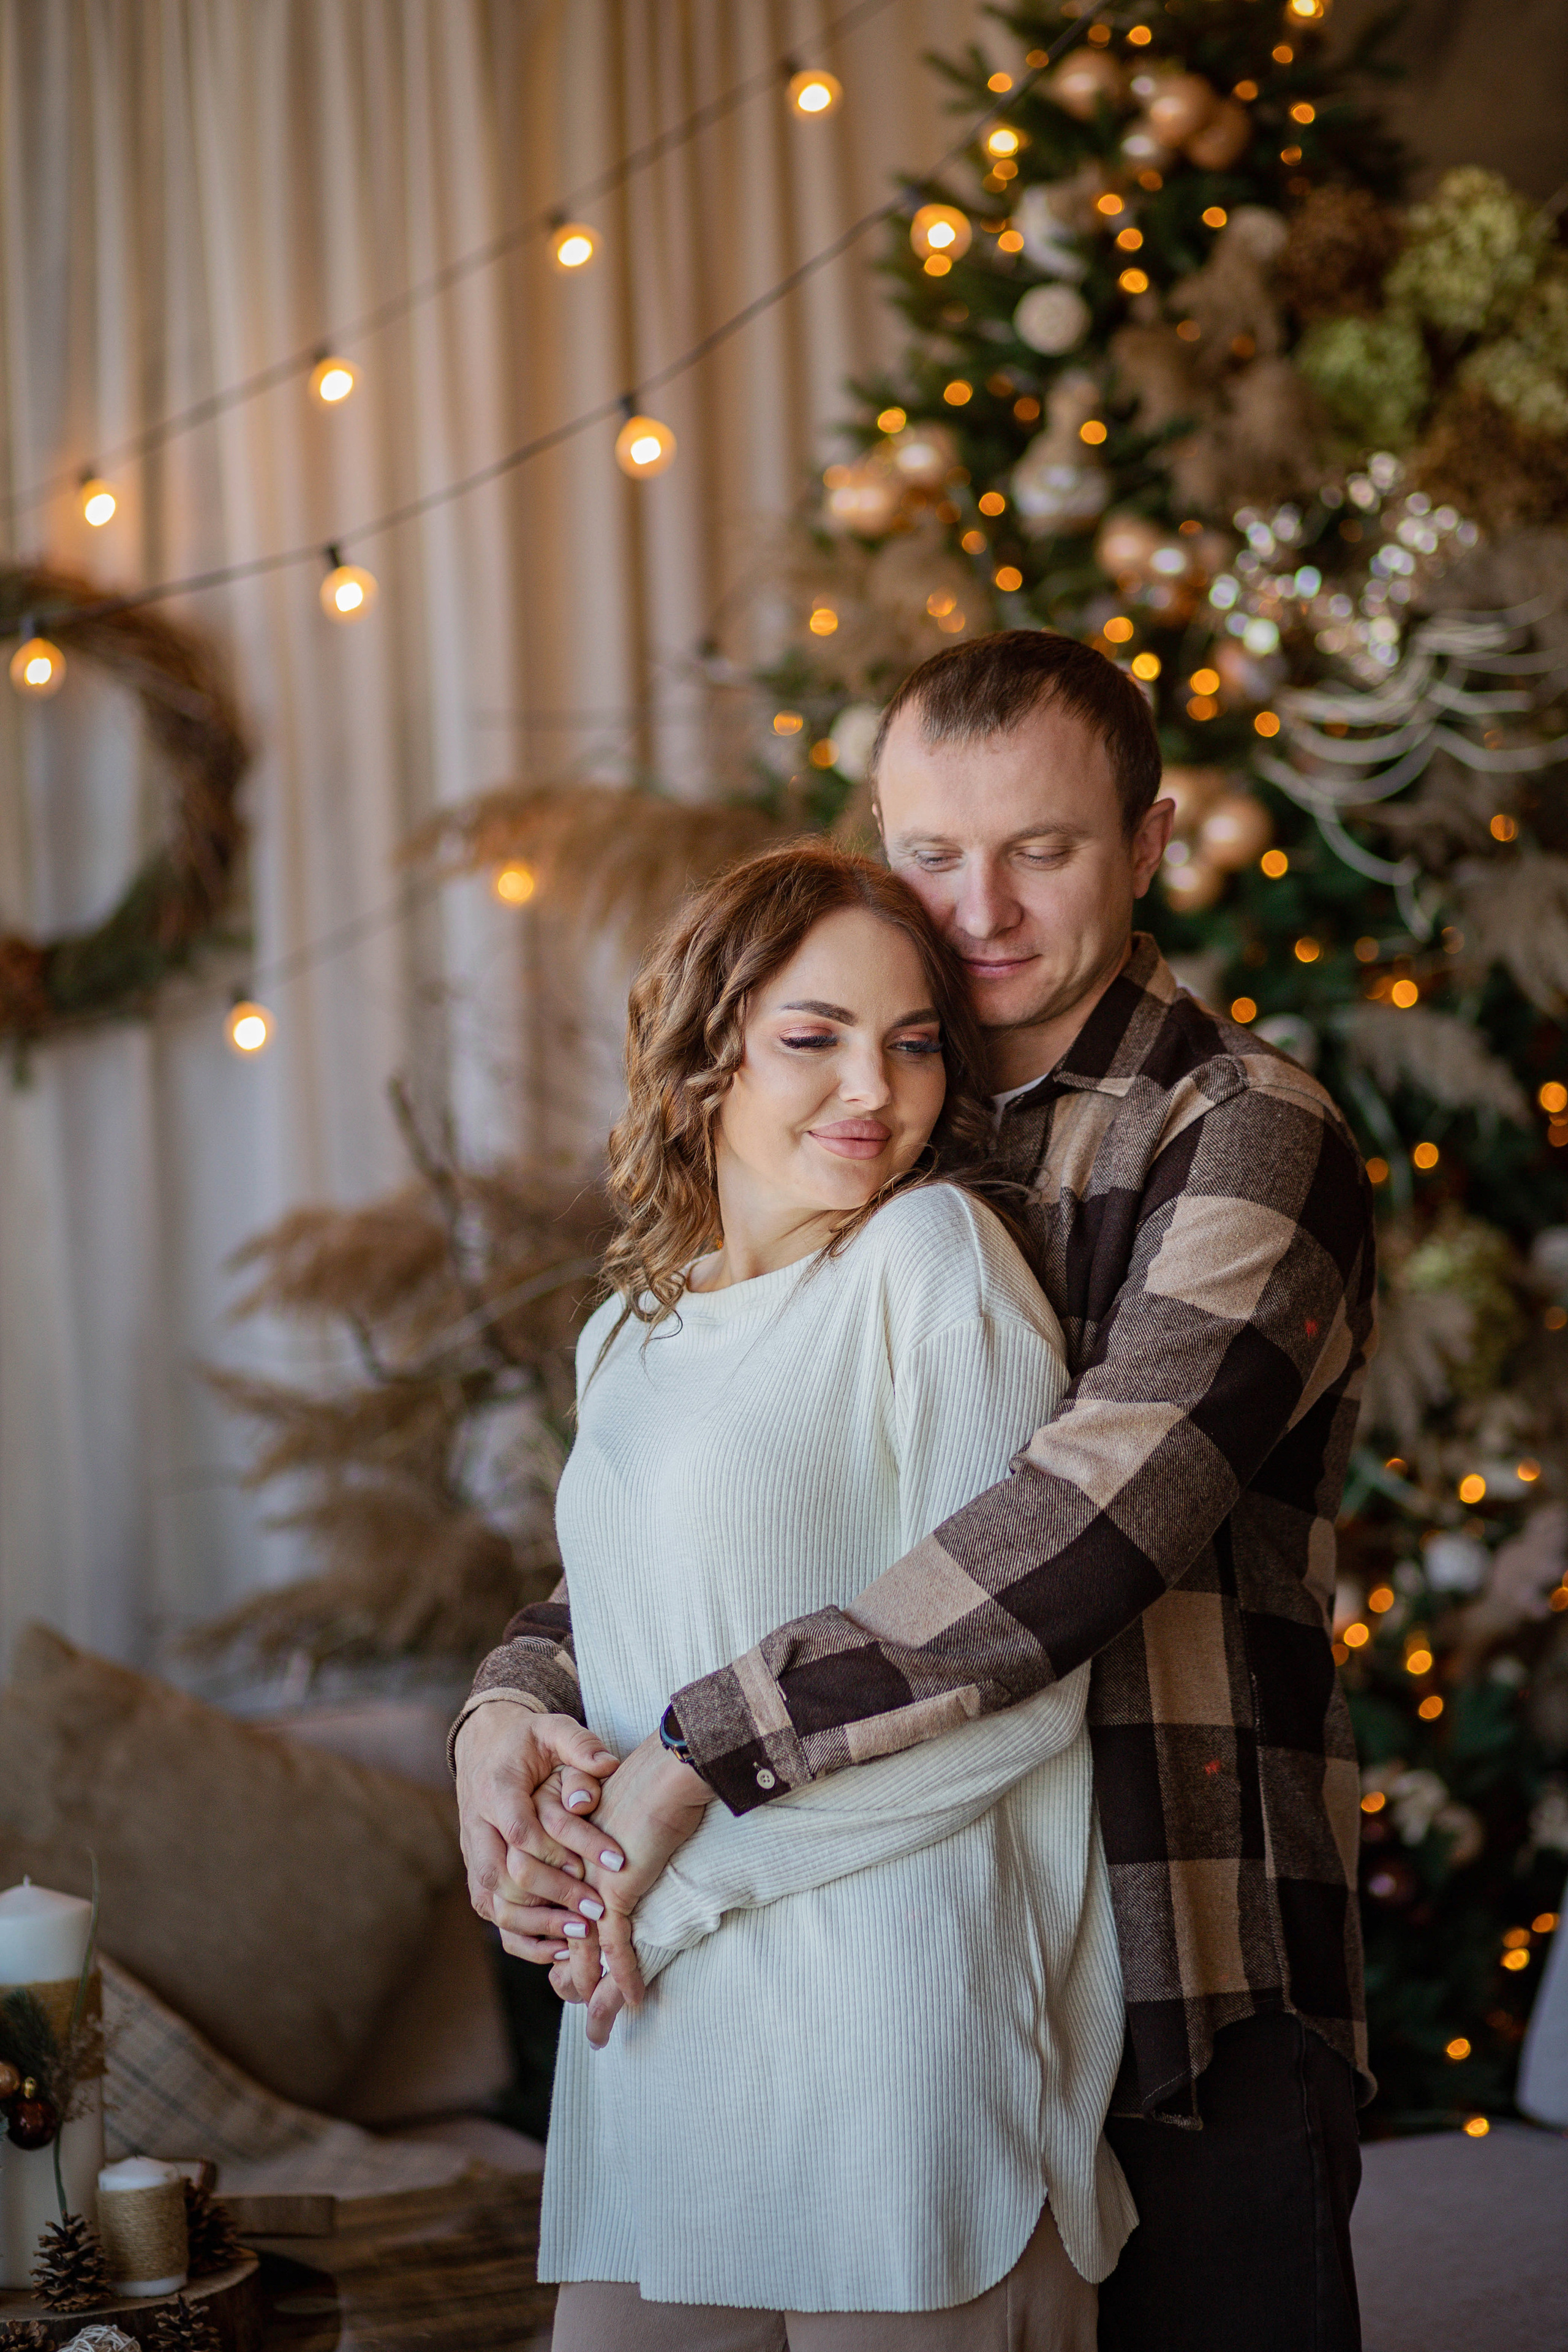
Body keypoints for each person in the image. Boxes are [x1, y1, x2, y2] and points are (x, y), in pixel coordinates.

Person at [456, 631, 1378, 2352]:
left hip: (1183, 1956)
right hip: (880, 1924)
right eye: (933, 854)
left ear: (1151, 845)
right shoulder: (897, 1138)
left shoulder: (1242, 1132)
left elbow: (1086, 1526)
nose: (982, 911)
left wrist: (684, 1780)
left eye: (1044, 849)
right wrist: (511, 1697)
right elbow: (732, 1515)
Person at [457, 839, 1137, 2347]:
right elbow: (623, 1624)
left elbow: (1010, 1697)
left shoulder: (931, 1260)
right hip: (650, 2023)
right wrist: (520, 1777)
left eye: (909, 1045)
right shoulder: (623, 1335)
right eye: (812, 1039)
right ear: (705, 1055)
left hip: (892, 2026)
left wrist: (657, 1873)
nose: (874, 1094)